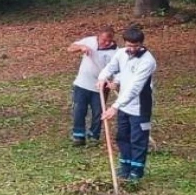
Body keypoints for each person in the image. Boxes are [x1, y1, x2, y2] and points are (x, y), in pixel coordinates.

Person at [97, 26, 157, 185]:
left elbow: (135, 87)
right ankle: (125, 167)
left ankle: (136, 172)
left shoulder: (147, 61)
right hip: (123, 105)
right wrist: (103, 78)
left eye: (135, 46)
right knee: (122, 137)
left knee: (138, 139)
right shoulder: (121, 53)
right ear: (124, 43)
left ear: (141, 44)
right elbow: (112, 67)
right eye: (129, 45)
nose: (132, 49)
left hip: (139, 107)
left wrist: (115, 107)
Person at [65, 26, 120, 146]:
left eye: (108, 41)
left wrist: (114, 82)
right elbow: (70, 48)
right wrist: (81, 47)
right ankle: (78, 136)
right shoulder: (89, 41)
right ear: (98, 36)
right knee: (79, 109)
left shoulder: (116, 52)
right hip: (82, 83)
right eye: (103, 40)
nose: (106, 43)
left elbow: (118, 70)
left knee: (98, 112)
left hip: (101, 86)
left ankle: (94, 136)